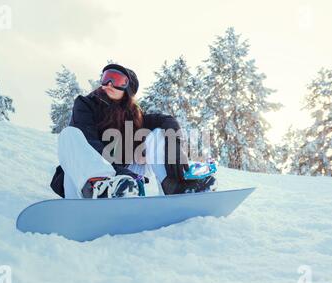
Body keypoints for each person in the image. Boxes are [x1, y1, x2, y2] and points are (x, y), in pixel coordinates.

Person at [50, 64, 215, 199]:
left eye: (117, 80)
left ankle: (174, 186)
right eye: (106, 77)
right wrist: (118, 172)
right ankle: (99, 187)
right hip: (84, 183)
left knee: (158, 133)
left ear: (128, 90)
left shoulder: (133, 116)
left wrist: (174, 151)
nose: (108, 83)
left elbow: (167, 121)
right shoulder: (86, 105)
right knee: (69, 134)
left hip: (124, 182)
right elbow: (89, 141)